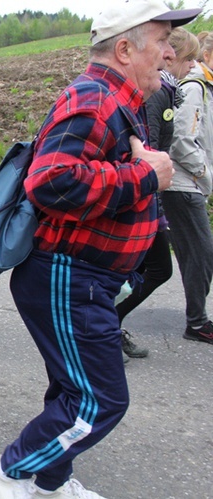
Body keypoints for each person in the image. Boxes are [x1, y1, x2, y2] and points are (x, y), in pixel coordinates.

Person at [0, 2, 199, 497]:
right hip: (66, 273)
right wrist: (146, 175)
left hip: (84, 276)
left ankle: (52, 482)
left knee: (72, 388)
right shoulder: (93, 97)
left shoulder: (118, 100)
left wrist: (143, 177)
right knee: (99, 398)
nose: (170, 53)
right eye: (162, 40)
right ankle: (12, 470)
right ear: (124, 49)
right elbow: (51, 182)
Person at [117, 27, 199, 359]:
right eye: (189, 58)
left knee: (148, 269)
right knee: (157, 269)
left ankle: (108, 324)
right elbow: (145, 143)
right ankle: (105, 326)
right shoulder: (159, 92)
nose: (193, 66)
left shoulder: (167, 90)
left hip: (150, 196)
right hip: (144, 195)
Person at [164, 30, 213, 345]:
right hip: (184, 185)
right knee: (200, 254)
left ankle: (197, 319)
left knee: (195, 253)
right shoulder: (196, 87)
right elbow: (182, 140)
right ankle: (197, 322)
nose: (193, 63)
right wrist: (205, 175)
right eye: (191, 58)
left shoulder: (203, 86)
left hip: (188, 184)